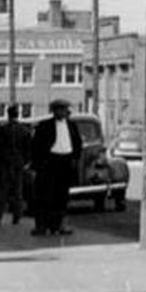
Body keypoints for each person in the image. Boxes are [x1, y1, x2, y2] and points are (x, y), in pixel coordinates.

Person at [30, 98, 83, 237]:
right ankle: (42, 226)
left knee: (62, 197)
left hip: (65, 162)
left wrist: (75, 158)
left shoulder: (72, 125)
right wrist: (38, 164)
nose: (63, 112)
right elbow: (36, 146)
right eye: (59, 109)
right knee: (45, 196)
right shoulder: (44, 126)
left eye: (64, 109)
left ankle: (58, 225)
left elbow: (77, 143)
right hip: (49, 162)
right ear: (54, 111)